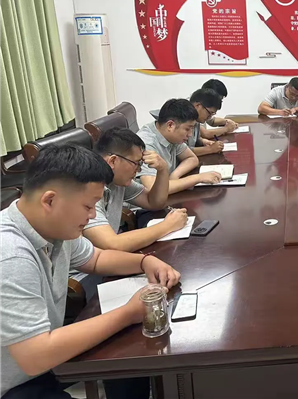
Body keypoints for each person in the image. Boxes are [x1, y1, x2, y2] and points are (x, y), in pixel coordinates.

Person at [0, 145, 180, 399]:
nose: (93, 215)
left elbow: (96, 258)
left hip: (39, 362)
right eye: (88, 206)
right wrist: (128, 313)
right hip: (16, 383)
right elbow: (35, 357)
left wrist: (144, 262)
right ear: (49, 200)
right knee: (125, 335)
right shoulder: (10, 254)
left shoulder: (52, 227)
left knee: (127, 356)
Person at [82, 128, 189, 252]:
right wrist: (168, 226)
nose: (138, 170)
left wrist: (162, 170)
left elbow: (154, 202)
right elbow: (111, 245)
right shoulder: (88, 189)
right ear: (113, 161)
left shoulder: (117, 180)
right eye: (136, 163)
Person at [137, 99, 222, 194]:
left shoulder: (172, 135)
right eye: (187, 129)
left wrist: (174, 176)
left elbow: (192, 158)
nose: (190, 134)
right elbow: (153, 188)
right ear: (170, 125)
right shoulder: (146, 143)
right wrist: (198, 178)